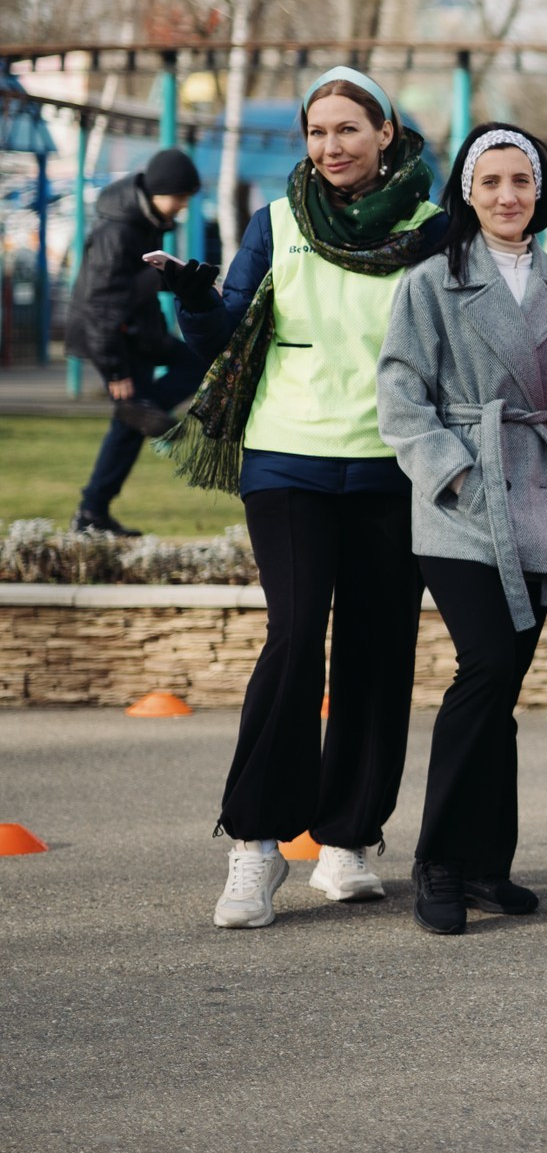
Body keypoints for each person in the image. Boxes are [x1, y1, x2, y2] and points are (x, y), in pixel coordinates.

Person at [166, 68, 445, 930]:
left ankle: (349, 837)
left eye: (348, 129)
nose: (331, 146)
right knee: (294, 639)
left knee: (378, 644)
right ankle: (254, 843)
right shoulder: (277, 221)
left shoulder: (435, 229)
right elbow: (223, 331)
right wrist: (188, 292)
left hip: (393, 466)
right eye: (318, 131)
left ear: (385, 133)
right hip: (288, 461)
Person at [375, 124, 547, 935]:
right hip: (462, 505)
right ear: (466, 192)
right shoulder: (433, 280)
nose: (507, 195)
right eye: (491, 181)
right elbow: (400, 391)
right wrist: (452, 471)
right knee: (486, 666)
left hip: (539, 498)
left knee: (502, 689)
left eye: (521, 181)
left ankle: (485, 865)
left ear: (541, 190)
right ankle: (436, 860)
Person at [68, 147, 205, 536]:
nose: (182, 207)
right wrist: (115, 370)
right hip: (117, 341)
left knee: (195, 362)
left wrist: (186, 277)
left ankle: (144, 415)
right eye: (179, 198)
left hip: (141, 332)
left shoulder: (145, 221)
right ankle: (91, 512)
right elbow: (100, 305)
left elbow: (140, 281)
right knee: (127, 426)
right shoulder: (118, 230)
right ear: (160, 191)